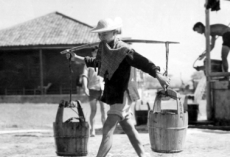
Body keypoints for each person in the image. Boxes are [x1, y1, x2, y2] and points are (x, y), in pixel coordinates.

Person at [66, 17, 170, 157]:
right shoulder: (104, 48)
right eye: (100, 34)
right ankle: (143, 154)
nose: (101, 36)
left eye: (105, 33)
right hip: (114, 92)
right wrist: (76, 58)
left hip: (123, 93)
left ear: (114, 32)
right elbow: (98, 63)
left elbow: (143, 62)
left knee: (107, 127)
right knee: (128, 127)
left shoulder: (124, 50)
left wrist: (158, 75)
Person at [82, 47, 106, 137]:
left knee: (104, 110)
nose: (96, 53)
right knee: (93, 110)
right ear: (92, 53)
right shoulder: (88, 63)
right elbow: (84, 75)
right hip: (92, 89)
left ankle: (105, 129)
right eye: (95, 52)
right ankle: (92, 129)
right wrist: (85, 87)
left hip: (102, 89)